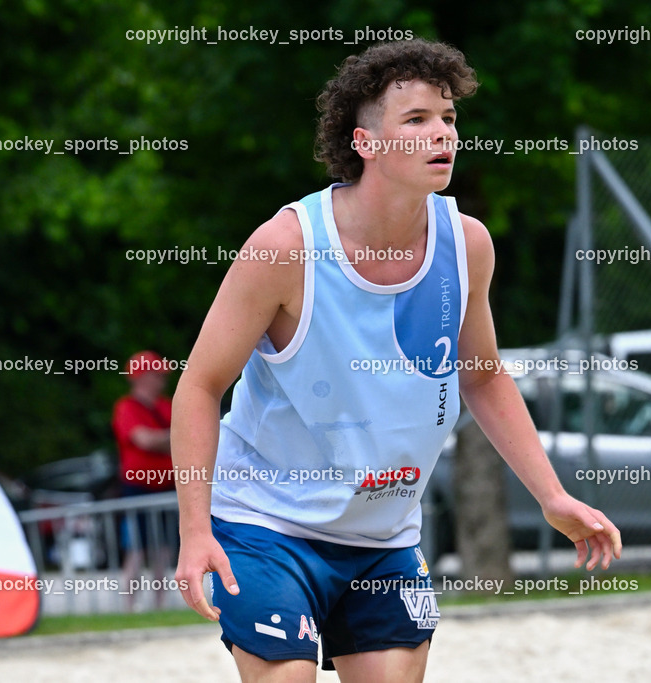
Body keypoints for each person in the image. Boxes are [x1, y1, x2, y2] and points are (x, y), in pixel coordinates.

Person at [172, 39, 622, 682]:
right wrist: (194, 532)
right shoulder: (287, 247)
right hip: (265, 522)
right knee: (289, 675)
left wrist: (552, 496)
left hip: (381, 538)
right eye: (416, 121)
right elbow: (198, 387)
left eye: (449, 119)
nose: (441, 133)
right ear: (366, 143)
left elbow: (485, 379)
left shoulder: (466, 244)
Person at [112, 349, 175, 610]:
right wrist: (171, 438)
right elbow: (143, 440)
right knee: (136, 547)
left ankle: (159, 605)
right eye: (156, 374)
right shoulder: (126, 408)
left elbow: (184, 437)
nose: (162, 379)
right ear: (142, 377)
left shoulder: (166, 405)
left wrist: (162, 439)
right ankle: (129, 606)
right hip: (137, 487)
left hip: (168, 485)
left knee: (163, 548)